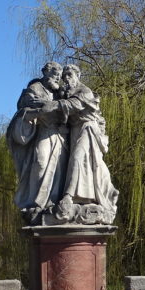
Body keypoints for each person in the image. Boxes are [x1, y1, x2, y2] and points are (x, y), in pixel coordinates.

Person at [53, 64, 119, 224]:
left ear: (78, 75)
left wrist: (53, 104)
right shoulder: (67, 93)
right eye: (64, 76)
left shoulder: (84, 91)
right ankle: (84, 196)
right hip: (74, 131)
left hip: (87, 129)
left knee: (78, 158)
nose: (66, 79)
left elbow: (73, 105)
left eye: (69, 75)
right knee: (77, 163)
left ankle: (69, 196)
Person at [8, 62, 70, 222]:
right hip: (43, 131)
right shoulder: (35, 88)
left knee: (59, 169)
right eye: (55, 74)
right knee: (41, 163)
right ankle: (35, 202)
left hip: (60, 134)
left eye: (59, 76)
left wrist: (57, 104)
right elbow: (23, 110)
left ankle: (53, 202)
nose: (57, 78)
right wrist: (41, 110)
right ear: (45, 72)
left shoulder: (59, 92)